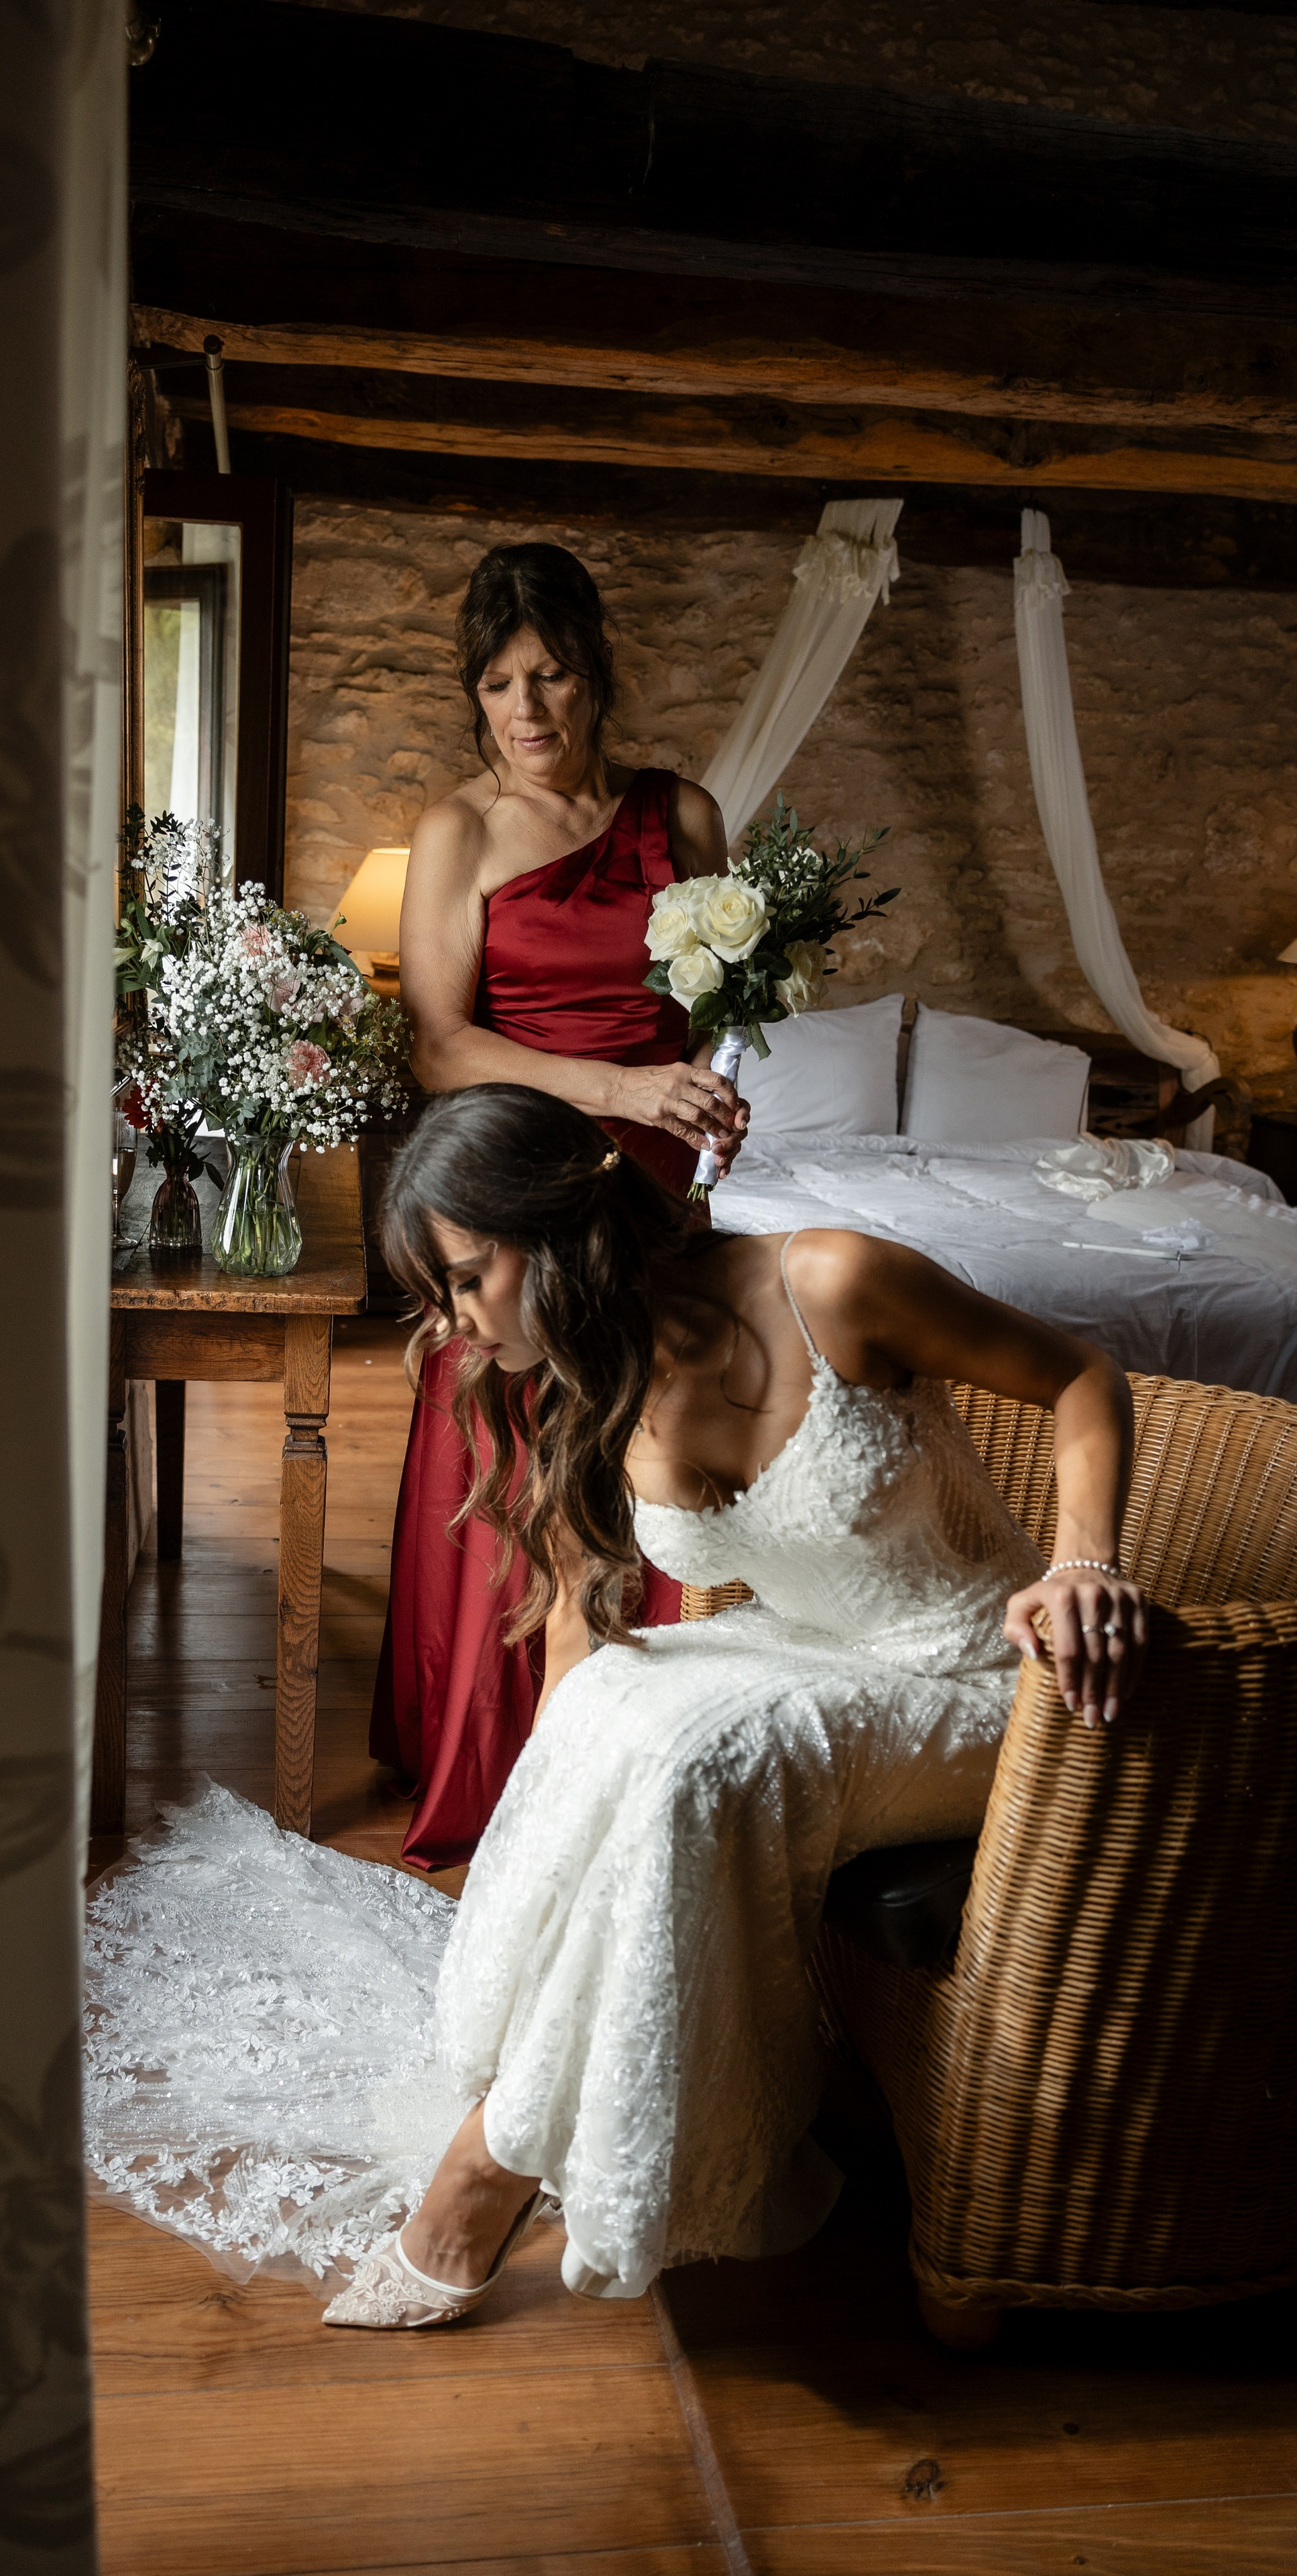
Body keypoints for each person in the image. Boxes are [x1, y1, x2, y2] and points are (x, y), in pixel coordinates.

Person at [83, 1087, 1149, 2325]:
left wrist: (1083, 1562)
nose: (453, 1322)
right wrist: (553, 1828)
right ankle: (530, 2107)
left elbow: (1083, 1377)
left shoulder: (837, 1280)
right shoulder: (589, 1376)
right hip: (811, 1653)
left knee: (696, 1757)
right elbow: (582, 1645)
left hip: (979, 1677)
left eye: (468, 1278)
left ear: (561, 1224)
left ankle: (487, 2171)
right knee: (616, 1718)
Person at [373, 540, 749, 1870]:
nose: (527, 712)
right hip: (513, 1187)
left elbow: (716, 1021)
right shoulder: (457, 831)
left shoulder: (682, 817)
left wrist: (703, 1094)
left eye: (550, 678)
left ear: (595, 675)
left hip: (647, 1195)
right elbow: (436, 1045)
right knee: (525, 1464)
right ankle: (505, 1762)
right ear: (473, 699)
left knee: (646, 1455)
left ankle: (640, 1766)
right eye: (496, 686)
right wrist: (620, 1086)